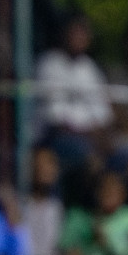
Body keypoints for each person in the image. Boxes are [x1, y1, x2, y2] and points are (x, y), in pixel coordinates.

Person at [35, 15, 113, 166]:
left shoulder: (90, 68)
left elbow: (103, 114)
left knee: (126, 155)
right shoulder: (49, 64)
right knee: (91, 159)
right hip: (54, 137)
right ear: (64, 34)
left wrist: (100, 135)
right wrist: (89, 134)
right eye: (75, 33)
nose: (79, 38)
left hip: (90, 137)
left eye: (83, 34)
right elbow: (56, 119)